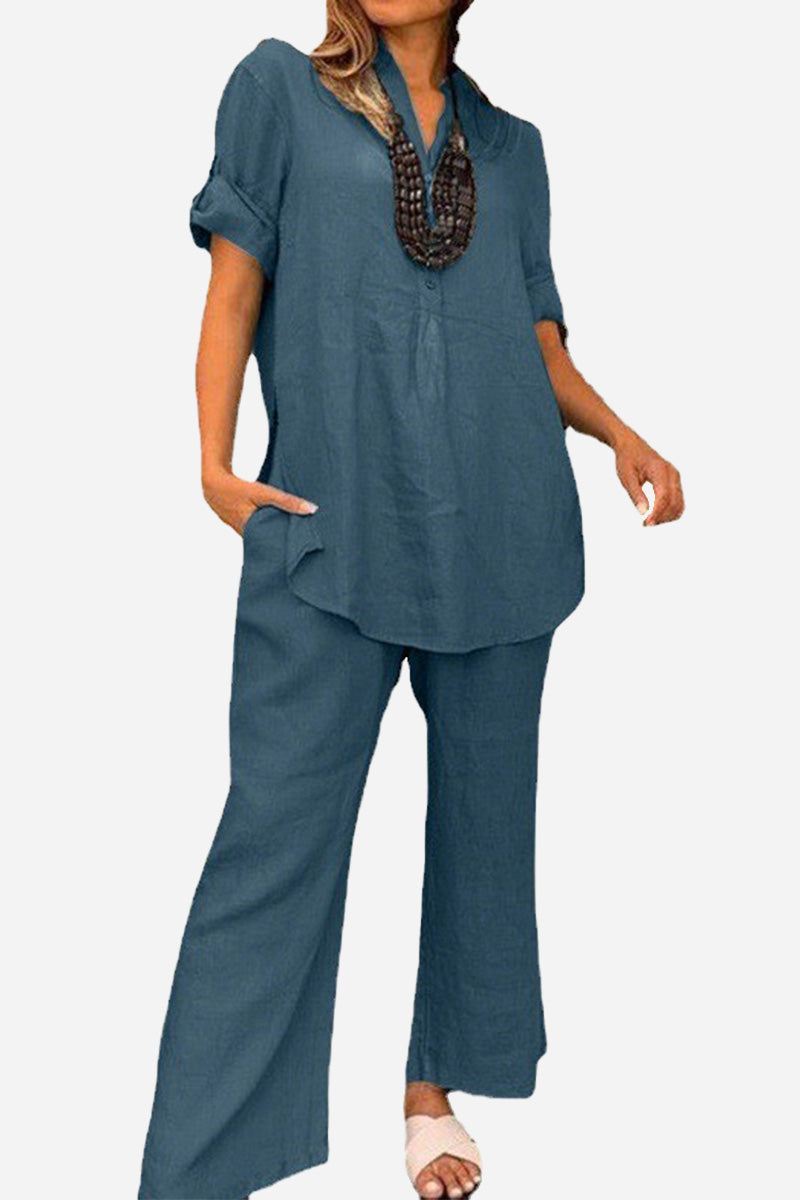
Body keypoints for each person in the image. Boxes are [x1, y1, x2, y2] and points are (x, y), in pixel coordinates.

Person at [138, 2, 685, 1197]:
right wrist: (214, 463)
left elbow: (538, 346)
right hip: (331, 525)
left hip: (499, 524)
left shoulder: (512, 147)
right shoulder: (277, 90)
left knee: (483, 832)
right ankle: (192, 1172)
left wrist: (621, 437)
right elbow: (234, 287)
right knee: (271, 849)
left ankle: (430, 1094)